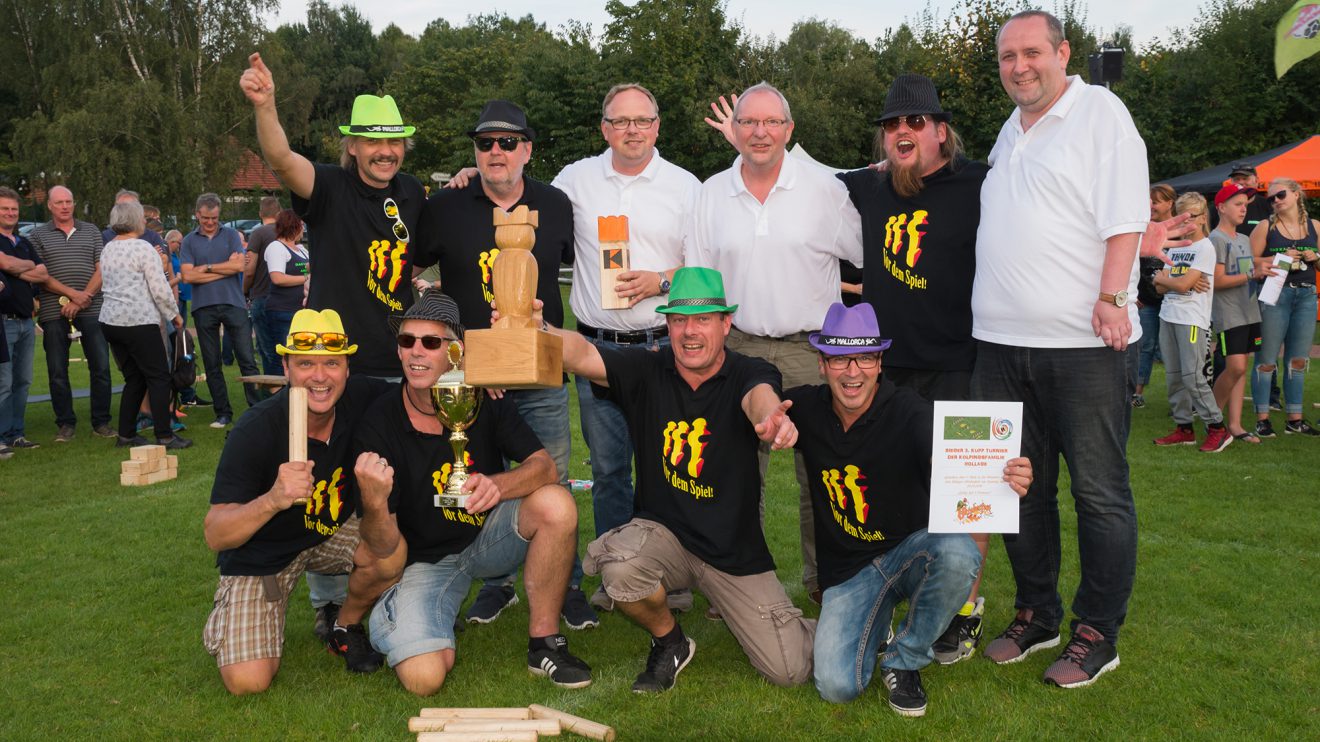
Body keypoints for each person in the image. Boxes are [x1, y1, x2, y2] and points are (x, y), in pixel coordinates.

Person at [972, 10, 1148, 688]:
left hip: (1080, 345)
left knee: (1099, 492)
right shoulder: (1009, 129)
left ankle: (1098, 631)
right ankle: (1036, 613)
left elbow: (1125, 218)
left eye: (1032, 53)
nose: (1019, 66)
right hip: (1000, 344)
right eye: (1008, 56)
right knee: (1020, 489)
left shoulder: (1100, 112)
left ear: (1063, 52)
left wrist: (1112, 298)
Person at [538, 266, 814, 692]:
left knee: (789, 670)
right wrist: (538, 328)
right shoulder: (647, 370)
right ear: (667, 324)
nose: (690, 332)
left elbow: (760, 397)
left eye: (703, 320)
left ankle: (832, 627)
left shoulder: (746, 370)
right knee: (621, 572)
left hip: (731, 553)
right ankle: (670, 641)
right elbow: (581, 353)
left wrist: (770, 418)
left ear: (726, 323)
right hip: (664, 537)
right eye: (680, 320)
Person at [785, 302, 1031, 717]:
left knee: (959, 552)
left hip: (911, 554)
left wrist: (1001, 474)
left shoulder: (908, 409)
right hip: (849, 572)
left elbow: (943, 455)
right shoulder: (806, 408)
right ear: (822, 364)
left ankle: (906, 658)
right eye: (840, 359)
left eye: (864, 357)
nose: (852, 372)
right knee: (837, 686)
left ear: (880, 362)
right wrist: (765, 415)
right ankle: (875, 625)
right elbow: (756, 389)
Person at [354, 291, 592, 695]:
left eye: (431, 342)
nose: (416, 351)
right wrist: (374, 503)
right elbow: (379, 545)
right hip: (424, 561)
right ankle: (398, 614)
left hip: (485, 538)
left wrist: (497, 486)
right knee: (425, 677)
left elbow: (544, 466)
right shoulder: (380, 419)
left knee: (556, 503)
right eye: (406, 341)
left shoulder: (481, 395)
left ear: (455, 351)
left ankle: (544, 643)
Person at [688, 82, 863, 601]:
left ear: (789, 130)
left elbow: (864, 254)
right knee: (737, 477)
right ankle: (739, 588)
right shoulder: (710, 193)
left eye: (771, 122)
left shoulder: (825, 190)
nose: (759, 132)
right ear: (734, 131)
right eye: (748, 122)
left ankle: (827, 586)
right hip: (737, 348)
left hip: (813, 351)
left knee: (824, 477)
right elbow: (699, 276)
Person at [415, 100, 586, 627]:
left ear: (527, 151)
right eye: (485, 143)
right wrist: (444, 336)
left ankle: (568, 582)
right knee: (484, 476)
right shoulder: (447, 205)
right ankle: (497, 582)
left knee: (549, 476)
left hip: (540, 370)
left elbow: (579, 270)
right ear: (475, 151)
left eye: (507, 143)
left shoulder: (555, 203)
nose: (496, 152)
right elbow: (411, 273)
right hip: (474, 377)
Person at [549, 83, 701, 614]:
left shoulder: (685, 187)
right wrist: (476, 176)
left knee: (669, 467)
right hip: (598, 350)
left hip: (666, 350)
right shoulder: (576, 179)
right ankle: (616, 572)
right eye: (621, 121)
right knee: (611, 468)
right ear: (604, 129)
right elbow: (524, 202)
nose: (632, 129)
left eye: (642, 120)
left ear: (657, 126)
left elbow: (704, 264)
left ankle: (671, 573)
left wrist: (661, 280)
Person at [202, 309, 396, 694]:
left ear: (346, 369)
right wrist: (273, 499)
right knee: (248, 682)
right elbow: (216, 533)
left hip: (326, 535)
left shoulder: (360, 397)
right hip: (263, 557)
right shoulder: (255, 430)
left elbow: (417, 387)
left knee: (391, 551)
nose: (320, 376)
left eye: (331, 364)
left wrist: (482, 379)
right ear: (286, 367)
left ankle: (345, 622)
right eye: (306, 363)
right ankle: (233, 612)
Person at [241, 53, 425, 378]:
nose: (386, 150)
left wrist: (468, 176)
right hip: (334, 358)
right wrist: (265, 106)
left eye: (394, 140)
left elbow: (420, 256)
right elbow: (282, 160)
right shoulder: (329, 186)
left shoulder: (412, 192)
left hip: (397, 360)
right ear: (352, 147)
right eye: (373, 141)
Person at [97, 201, 190, 449]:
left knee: (134, 378)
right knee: (159, 377)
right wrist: (174, 314)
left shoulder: (107, 249)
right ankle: (165, 435)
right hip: (138, 320)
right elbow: (159, 288)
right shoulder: (144, 248)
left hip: (110, 321)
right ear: (138, 220)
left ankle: (126, 434)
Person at [26, 185, 116, 442]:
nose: (65, 206)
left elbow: (101, 269)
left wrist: (82, 298)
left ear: (73, 204)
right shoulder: (37, 235)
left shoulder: (91, 231)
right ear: (50, 206)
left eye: (69, 201)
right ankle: (65, 424)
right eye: (59, 202)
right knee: (57, 369)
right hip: (54, 311)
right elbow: (41, 275)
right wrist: (73, 294)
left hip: (92, 309)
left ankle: (101, 422)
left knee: (100, 366)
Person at [1151, 193, 1229, 452]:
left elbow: (1178, 284)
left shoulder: (1205, 247)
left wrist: (1170, 281)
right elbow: (1159, 288)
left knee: (1193, 377)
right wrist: (1173, 282)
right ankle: (1184, 428)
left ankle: (1217, 427)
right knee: (1174, 378)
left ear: (1203, 218)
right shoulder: (1176, 246)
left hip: (1192, 320)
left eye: (1191, 218)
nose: (1185, 223)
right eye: (1180, 218)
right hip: (1168, 315)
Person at [180, 192, 260, 428]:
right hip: (203, 307)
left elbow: (239, 266)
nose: (210, 222)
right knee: (212, 362)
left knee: (247, 358)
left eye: (214, 218)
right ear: (197, 215)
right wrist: (222, 268)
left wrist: (204, 268)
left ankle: (256, 410)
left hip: (233, 303)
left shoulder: (232, 236)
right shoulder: (188, 241)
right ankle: (222, 412)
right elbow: (186, 275)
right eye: (206, 218)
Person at [1249, 176, 1320, 437]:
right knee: (1266, 361)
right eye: (1271, 198)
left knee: (1298, 361)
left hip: (1306, 295)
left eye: (1280, 196)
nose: (1275, 201)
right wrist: (1277, 258)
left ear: (1296, 194)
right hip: (1274, 295)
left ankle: (1295, 419)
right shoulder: (1266, 227)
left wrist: (1316, 256)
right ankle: (1262, 418)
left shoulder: (1314, 226)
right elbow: (1248, 262)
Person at [1208, 183, 1262, 444]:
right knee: (1235, 367)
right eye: (1238, 204)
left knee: (1240, 369)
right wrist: (1253, 273)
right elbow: (1217, 281)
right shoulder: (1216, 239)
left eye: (1245, 204)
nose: (1244, 209)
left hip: (1249, 311)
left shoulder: (1242, 239)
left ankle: (1235, 425)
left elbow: (1245, 273)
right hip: (1229, 314)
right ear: (1221, 207)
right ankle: (1213, 422)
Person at [0, 186, 47, 455]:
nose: (10, 213)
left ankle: (17, 432)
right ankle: (1, 436)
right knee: (3, 383)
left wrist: (15, 266)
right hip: (3, 322)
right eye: (4, 209)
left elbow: (42, 272)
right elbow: (4, 264)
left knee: (24, 381)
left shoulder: (24, 242)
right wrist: (20, 265)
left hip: (26, 322)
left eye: (14, 209)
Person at [1134, 184, 1176, 408]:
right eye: (1149, 202)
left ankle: (1179, 399)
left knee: (1173, 350)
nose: (1151, 206)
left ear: (1170, 203)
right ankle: (1136, 393)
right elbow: (1131, 263)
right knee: (1146, 345)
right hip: (1147, 301)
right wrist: (1133, 294)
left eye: (1156, 201)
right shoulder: (1142, 229)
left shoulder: (1180, 229)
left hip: (1174, 299)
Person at [245, 196, 284, 375]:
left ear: (260, 213)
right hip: (286, 297)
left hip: (262, 294)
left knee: (267, 350)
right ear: (279, 213)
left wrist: (245, 290)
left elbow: (250, 268)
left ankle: (272, 393)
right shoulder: (287, 232)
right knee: (284, 347)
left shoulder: (258, 233)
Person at [261, 209, 309, 353]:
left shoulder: (301, 249)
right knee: (284, 354)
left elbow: (310, 267)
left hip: (300, 311)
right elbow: (278, 278)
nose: (304, 229)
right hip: (283, 310)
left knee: (299, 353)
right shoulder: (276, 247)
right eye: (302, 225)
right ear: (294, 226)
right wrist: (306, 277)